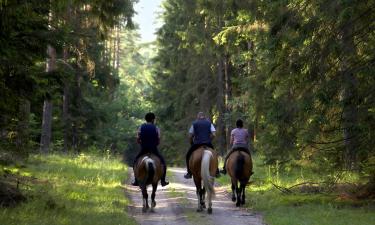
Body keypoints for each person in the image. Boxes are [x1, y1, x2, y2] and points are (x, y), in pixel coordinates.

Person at [131, 112, 169, 186]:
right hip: (153, 149)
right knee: (163, 163)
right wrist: (155, 144)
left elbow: (138, 138)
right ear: (152, 120)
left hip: (144, 148)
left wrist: (141, 143)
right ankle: (163, 181)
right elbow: (158, 139)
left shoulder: (141, 127)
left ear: (146, 119)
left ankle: (136, 180)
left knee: (135, 161)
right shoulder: (156, 128)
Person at [184, 112, 219, 179]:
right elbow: (214, 134)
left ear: (198, 117)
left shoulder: (194, 123)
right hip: (208, 143)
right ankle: (216, 171)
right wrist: (210, 139)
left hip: (197, 143)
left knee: (188, 155)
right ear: (204, 117)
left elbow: (190, 135)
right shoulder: (209, 123)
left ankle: (189, 172)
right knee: (215, 155)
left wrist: (191, 142)